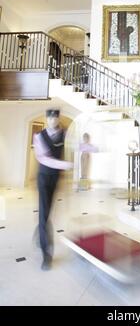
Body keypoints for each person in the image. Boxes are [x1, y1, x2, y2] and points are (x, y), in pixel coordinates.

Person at [33, 109, 73, 271]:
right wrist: (65, 165)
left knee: (48, 212)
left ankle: (39, 232)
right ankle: (46, 254)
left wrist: (94, 148)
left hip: (55, 179)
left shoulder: (65, 135)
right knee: (44, 215)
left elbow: (76, 146)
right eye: (50, 118)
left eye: (55, 118)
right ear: (46, 119)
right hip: (43, 178)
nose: (52, 120)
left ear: (58, 119)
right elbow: (43, 158)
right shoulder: (39, 136)